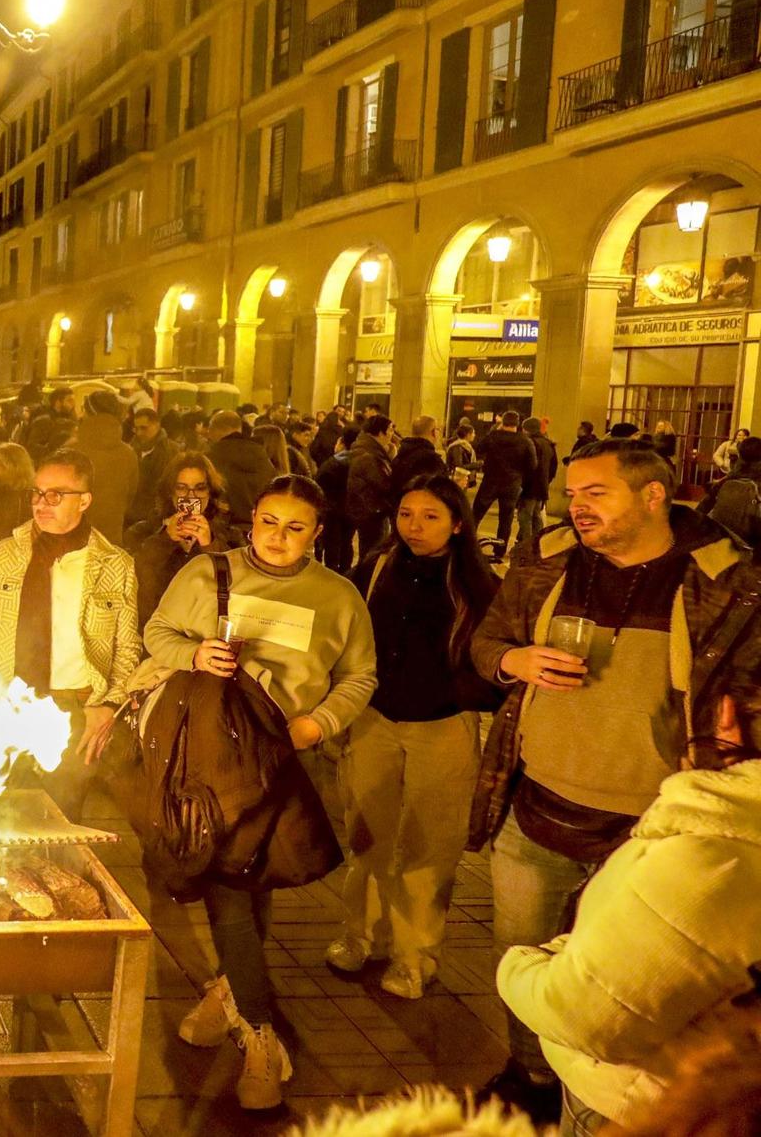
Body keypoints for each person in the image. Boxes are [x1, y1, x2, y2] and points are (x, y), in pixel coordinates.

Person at [467, 438, 761, 1123]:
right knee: (523, 963)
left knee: (625, 988)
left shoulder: (726, 581)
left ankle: (600, 1097)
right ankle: (531, 1074)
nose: (578, 507)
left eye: (596, 493)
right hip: (536, 813)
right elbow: (485, 643)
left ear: (654, 494)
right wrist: (514, 658)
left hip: (646, 838)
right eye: (572, 493)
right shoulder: (548, 564)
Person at [131, 475, 377, 1110]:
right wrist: (195, 656)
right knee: (230, 885)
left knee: (256, 879)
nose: (279, 537)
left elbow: (359, 675)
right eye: (269, 521)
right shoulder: (207, 575)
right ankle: (261, 1034)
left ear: (318, 534)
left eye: (296, 527)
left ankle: (227, 991)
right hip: (210, 759)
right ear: (252, 520)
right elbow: (157, 635)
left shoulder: (339, 596)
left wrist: (316, 723)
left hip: (286, 755)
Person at [496, 679, 761, 1135]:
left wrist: (521, 964)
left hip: (642, 1105)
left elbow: (589, 1017)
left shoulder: (713, 862)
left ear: (725, 715)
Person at [329, 475, 500, 999]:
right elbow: (335, 623)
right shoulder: (376, 568)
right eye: (406, 514)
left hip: (444, 723)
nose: (414, 526)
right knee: (367, 836)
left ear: (457, 523)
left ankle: (415, 956)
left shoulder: (477, 582)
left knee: (432, 844)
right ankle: (361, 935)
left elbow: (498, 646)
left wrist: (466, 689)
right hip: (375, 718)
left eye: (429, 516)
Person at [0, 450, 140, 824]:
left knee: (60, 821)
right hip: (8, 707)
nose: (42, 504)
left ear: (84, 500)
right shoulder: (3, 556)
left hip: (74, 712)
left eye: (56, 495)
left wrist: (108, 706)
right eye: (38, 493)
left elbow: (127, 648)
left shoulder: (114, 565)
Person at [128, 452, 243, 620]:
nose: (191, 496)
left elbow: (237, 585)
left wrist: (210, 545)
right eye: (182, 488)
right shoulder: (143, 531)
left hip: (204, 629)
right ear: (170, 492)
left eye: (200, 488)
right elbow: (138, 578)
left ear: (210, 492)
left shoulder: (231, 535)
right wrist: (165, 539)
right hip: (159, 629)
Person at [73, 390, 140, 545]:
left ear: (89, 414)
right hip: (111, 539)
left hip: (72, 540)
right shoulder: (128, 454)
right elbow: (129, 497)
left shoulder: (71, 452)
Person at [476, 410, 538, 552]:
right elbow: (533, 465)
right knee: (506, 518)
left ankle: (466, 545)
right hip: (512, 484)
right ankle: (500, 549)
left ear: (502, 422)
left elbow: (479, 448)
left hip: (490, 481)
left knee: (476, 514)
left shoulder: (493, 436)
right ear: (518, 424)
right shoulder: (525, 440)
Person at [344, 414, 400, 564]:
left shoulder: (368, 449)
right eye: (389, 430)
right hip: (371, 512)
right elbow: (384, 484)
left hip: (369, 510)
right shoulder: (368, 455)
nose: (391, 434)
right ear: (380, 433)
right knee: (371, 555)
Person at [205, 409, 276, 523]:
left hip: (223, 526)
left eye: (209, 429)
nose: (208, 434)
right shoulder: (261, 455)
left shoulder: (211, 457)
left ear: (214, 429)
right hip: (257, 525)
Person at [701, 434, 761, 547]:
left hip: (719, 539)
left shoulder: (729, 479)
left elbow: (702, 508)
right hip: (748, 545)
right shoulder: (757, 482)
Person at [517, 416, 560, 548]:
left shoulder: (530, 443)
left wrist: (521, 483)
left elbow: (525, 465)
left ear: (527, 429)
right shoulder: (548, 444)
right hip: (542, 486)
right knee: (536, 516)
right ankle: (539, 545)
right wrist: (547, 481)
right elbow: (554, 466)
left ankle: (527, 546)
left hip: (529, 486)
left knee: (525, 517)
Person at [391, 415, 445, 491]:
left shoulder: (401, 454)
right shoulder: (432, 460)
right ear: (434, 432)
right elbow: (440, 491)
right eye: (438, 429)